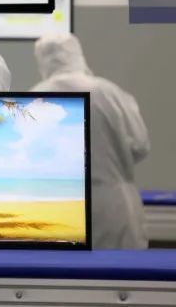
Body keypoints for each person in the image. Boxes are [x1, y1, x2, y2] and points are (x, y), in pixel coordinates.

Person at [33, 33, 150, 249]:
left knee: (62, 270)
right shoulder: (108, 92)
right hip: (113, 207)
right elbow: (141, 146)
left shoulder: (35, 98)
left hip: (59, 209)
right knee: (120, 269)